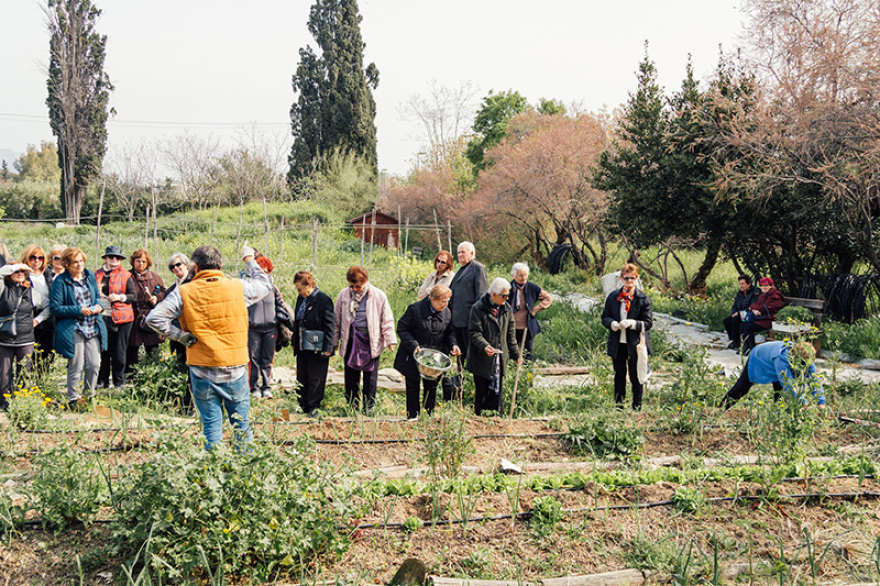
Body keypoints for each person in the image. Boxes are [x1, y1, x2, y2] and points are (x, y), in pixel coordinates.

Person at [146, 244, 271, 449]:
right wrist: (249, 259)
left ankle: (214, 472)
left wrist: (179, 336)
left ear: (195, 266)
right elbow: (265, 285)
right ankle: (246, 474)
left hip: (201, 367)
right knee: (241, 425)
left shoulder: (183, 292)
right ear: (220, 265)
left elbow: (154, 318)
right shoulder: (237, 287)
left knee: (211, 427)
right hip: (235, 365)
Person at [333, 266, 396, 413]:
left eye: (358, 286)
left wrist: (390, 340)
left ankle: (369, 407)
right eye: (352, 286)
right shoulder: (343, 295)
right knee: (351, 375)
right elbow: (337, 320)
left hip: (371, 341)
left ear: (366, 281)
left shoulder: (378, 295)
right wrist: (335, 342)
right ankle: (352, 407)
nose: (355, 289)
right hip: (351, 341)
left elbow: (386, 319)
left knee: (370, 377)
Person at [50, 247, 107, 409]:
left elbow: (96, 296)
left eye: (81, 261)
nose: (79, 264)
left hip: (92, 325)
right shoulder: (60, 281)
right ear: (67, 264)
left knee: (95, 363)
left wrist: (98, 305)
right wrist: (78, 310)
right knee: (76, 364)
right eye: (75, 262)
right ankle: (73, 399)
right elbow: (55, 308)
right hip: (73, 327)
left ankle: (89, 396)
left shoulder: (89, 276)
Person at [394, 284, 460, 420]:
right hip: (415, 354)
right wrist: (413, 344)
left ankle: (428, 415)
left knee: (432, 385)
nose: (445, 304)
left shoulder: (447, 312)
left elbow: (450, 332)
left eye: (447, 301)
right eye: (443, 301)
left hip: (434, 355)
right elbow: (402, 328)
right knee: (412, 384)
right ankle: (412, 416)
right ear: (433, 299)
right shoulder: (415, 310)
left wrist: (453, 344)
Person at [601, 263, 653, 410]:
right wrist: (612, 324)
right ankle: (619, 405)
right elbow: (605, 317)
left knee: (636, 376)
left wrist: (632, 323)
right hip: (618, 342)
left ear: (637, 278)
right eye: (626, 278)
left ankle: (637, 407)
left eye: (632, 278)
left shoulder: (643, 299)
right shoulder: (613, 297)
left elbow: (648, 323)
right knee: (619, 374)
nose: (629, 281)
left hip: (635, 343)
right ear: (621, 279)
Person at [467, 277, 522, 416]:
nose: (507, 298)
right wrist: (485, 346)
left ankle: (496, 421)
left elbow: (510, 334)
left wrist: (515, 354)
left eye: (508, 295)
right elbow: (474, 333)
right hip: (481, 358)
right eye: (504, 296)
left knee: (497, 394)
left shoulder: (506, 309)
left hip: (499, 358)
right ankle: (480, 422)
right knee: (482, 393)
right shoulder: (478, 308)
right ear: (494, 295)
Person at [719, 341, 826, 409]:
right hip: (759, 357)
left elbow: (814, 380)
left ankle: (776, 414)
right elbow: (788, 384)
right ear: (797, 357)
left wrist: (821, 402)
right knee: (743, 387)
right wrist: (802, 402)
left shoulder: (807, 358)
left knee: (780, 393)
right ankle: (721, 408)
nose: (807, 365)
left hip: (774, 359)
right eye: (804, 363)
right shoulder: (781, 359)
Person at [292, 271, 335, 417]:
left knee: (315, 378)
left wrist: (328, 347)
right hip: (302, 344)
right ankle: (302, 404)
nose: (299, 292)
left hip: (317, 346)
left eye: (300, 289)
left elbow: (330, 326)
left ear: (309, 285)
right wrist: (294, 342)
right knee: (302, 376)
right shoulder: (301, 299)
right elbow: (296, 322)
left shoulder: (324, 300)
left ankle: (313, 407)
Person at [95, 246, 136, 389]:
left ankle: (118, 381)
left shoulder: (125, 275)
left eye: (117, 258)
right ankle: (102, 380)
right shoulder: (97, 274)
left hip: (123, 317)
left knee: (119, 352)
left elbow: (133, 296)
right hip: (102, 316)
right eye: (111, 257)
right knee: (103, 350)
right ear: (105, 258)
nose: (114, 260)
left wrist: (119, 297)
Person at [246, 255, 284, 399]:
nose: (264, 275)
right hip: (253, 328)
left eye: (266, 272)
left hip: (270, 328)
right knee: (254, 359)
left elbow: (280, 305)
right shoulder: (249, 289)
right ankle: (254, 387)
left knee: (267, 359)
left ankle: (266, 387)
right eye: (260, 271)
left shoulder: (273, 289)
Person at [0, 264, 36, 411]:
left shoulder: (30, 289)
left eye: (23, 271)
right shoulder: (3, 288)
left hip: (25, 337)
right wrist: (16, 266)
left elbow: (46, 305)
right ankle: (4, 404)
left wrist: (37, 320)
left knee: (25, 372)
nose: (21, 273)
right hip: (5, 337)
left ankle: (22, 403)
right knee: (4, 374)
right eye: (17, 271)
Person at [127, 249, 165, 374]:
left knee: (152, 347)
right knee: (132, 347)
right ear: (133, 262)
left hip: (150, 316)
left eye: (144, 261)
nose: (141, 264)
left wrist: (157, 298)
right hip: (133, 315)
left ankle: (153, 373)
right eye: (138, 261)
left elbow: (164, 293)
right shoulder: (127, 276)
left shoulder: (155, 278)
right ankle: (130, 375)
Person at [164, 252, 194, 414]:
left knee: (193, 371)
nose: (175, 269)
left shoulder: (193, 284)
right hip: (178, 337)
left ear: (187, 265)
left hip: (192, 335)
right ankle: (185, 403)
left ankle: (189, 406)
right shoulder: (172, 289)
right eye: (172, 267)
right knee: (183, 369)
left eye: (178, 265)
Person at [449, 242, 488, 362]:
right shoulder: (461, 270)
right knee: (461, 355)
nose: (460, 255)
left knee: (471, 357)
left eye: (463, 252)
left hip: (469, 321)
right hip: (457, 321)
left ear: (472, 253)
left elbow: (481, 295)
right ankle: (461, 379)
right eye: (458, 253)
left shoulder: (478, 268)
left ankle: (468, 379)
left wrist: (476, 319)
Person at [20, 245, 55, 369]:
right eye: (33, 257)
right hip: (29, 317)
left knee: (47, 354)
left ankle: (41, 384)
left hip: (47, 318)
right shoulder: (21, 275)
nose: (36, 261)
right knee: (29, 356)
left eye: (40, 258)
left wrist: (40, 319)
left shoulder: (48, 274)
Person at [509, 262, 552, 361]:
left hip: (527, 327)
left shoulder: (532, 287)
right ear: (514, 275)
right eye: (521, 275)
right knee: (512, 354)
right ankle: (512, 373)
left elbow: (548, 298)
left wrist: (535, 309)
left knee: (528, 353)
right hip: (511, 327)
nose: (524, 277)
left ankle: (528, 374)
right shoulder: (508, 287)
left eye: (525, 275)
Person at [741, 277, 785, 354]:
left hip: (770, 320)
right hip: (762, 318)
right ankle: (746, 347)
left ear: (771, 286)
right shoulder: (764, 294)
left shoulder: (775, 295)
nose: (764, 287)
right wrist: (754, 310)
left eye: (766, 285)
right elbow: (754, 304)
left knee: (748, 327)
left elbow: (764, 307)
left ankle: (752, 349)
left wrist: (755, 308)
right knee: (742, 325)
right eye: (762, 285)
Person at [723, 275, 760, 351]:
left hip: (749, 314)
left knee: (736, 320)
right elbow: (735, 305)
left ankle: (737, 342)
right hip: (740, 314)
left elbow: (753, 306)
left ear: (749, 284)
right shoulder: (739, 293)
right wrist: (734, 312)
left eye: (743, 284)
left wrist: (739, 313)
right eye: (740, 284)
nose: (741, 286)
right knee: (727, 321)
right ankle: (734, 340)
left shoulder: (755, 292)